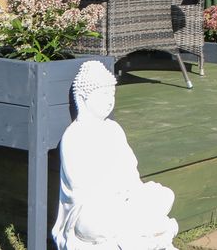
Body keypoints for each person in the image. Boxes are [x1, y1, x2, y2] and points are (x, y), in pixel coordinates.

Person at [52, 61, 179, 250]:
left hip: (124, 199)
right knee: (94, 223)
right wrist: (114, 194)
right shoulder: (75, 135)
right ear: (82, 97)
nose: (110, 101)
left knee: (164, 195)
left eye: (112, 94)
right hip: (95, 206)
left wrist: (130, 191)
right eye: (103, 95)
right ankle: (141, 235)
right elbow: (80, 185)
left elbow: (130, 170)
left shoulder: (114, 129)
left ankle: (134, 235)